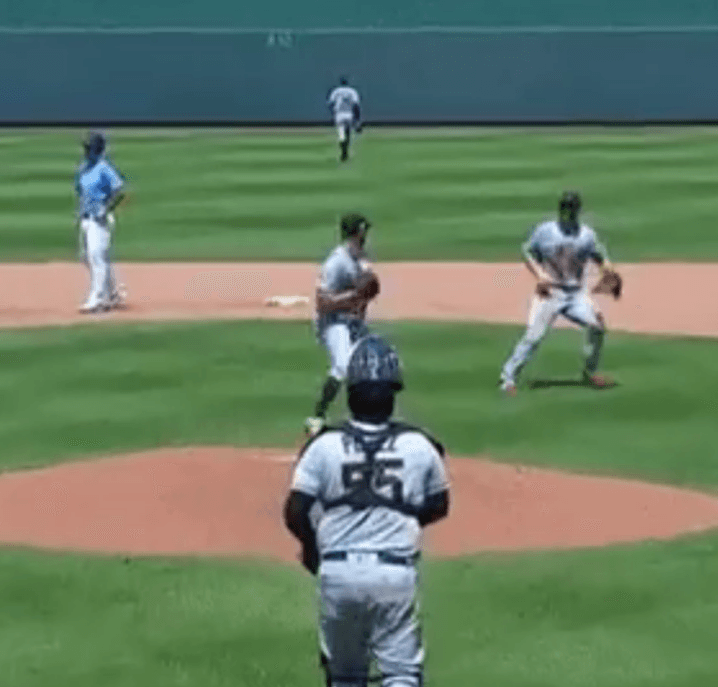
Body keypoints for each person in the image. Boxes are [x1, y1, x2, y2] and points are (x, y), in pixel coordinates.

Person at [285, 334, 451, 687]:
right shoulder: (419, 445)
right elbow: (439, 505)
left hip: (337, 571)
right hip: (395, 573)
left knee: (344, 676)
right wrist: (401, 518)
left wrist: (312, 548)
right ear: (393, 393)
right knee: (402, 674)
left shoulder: (324, 445)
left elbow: (295, 510)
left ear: (351, 393)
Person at [498, 191, 622, 394]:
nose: (569, 213)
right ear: (560, 210)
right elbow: (528, 251)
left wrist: (607, 269)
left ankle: (590, 372)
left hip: (575, 295)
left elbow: (598, 256)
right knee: (534, 337)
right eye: (566, 209)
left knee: (597, 327)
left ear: (578, 210)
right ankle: (507, 379)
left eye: (572, 209)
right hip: (550, 293)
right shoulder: (545, 231)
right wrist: (539, 274)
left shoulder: (587, 235)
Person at [306, 212, 380, 436]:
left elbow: (368, 289)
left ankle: (365, 417)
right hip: (333, 323)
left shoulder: (361, 257)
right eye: (363, 230)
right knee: (342, 365)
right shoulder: (336, 262)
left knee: (369, 364)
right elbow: (322, 302)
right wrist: (354, 297)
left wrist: (363, 296)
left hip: (352, 323)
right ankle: (317, 417)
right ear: (357, 232)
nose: (367, 234)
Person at [75, 131, 127, 313]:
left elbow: (119, 189)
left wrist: (106, 208)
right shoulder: (83, 169)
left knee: (96, 256)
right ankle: (112, 293)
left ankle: (97, 299)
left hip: (100, 218)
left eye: (90, 148)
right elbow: (81, 192)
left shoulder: (104, 168)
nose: (87, 151)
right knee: (89, 257)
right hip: (86, 218)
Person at [327, 77, 362, 162]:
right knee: (348, 133)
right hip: (349, 114)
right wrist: (357, 119)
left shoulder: (336, 91)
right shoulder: (352, 91)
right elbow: (356, 105)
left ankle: (343, 150)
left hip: (339, 114)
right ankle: (346, 149)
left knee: (341, 133)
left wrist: (332, 115)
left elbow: (331, 104)